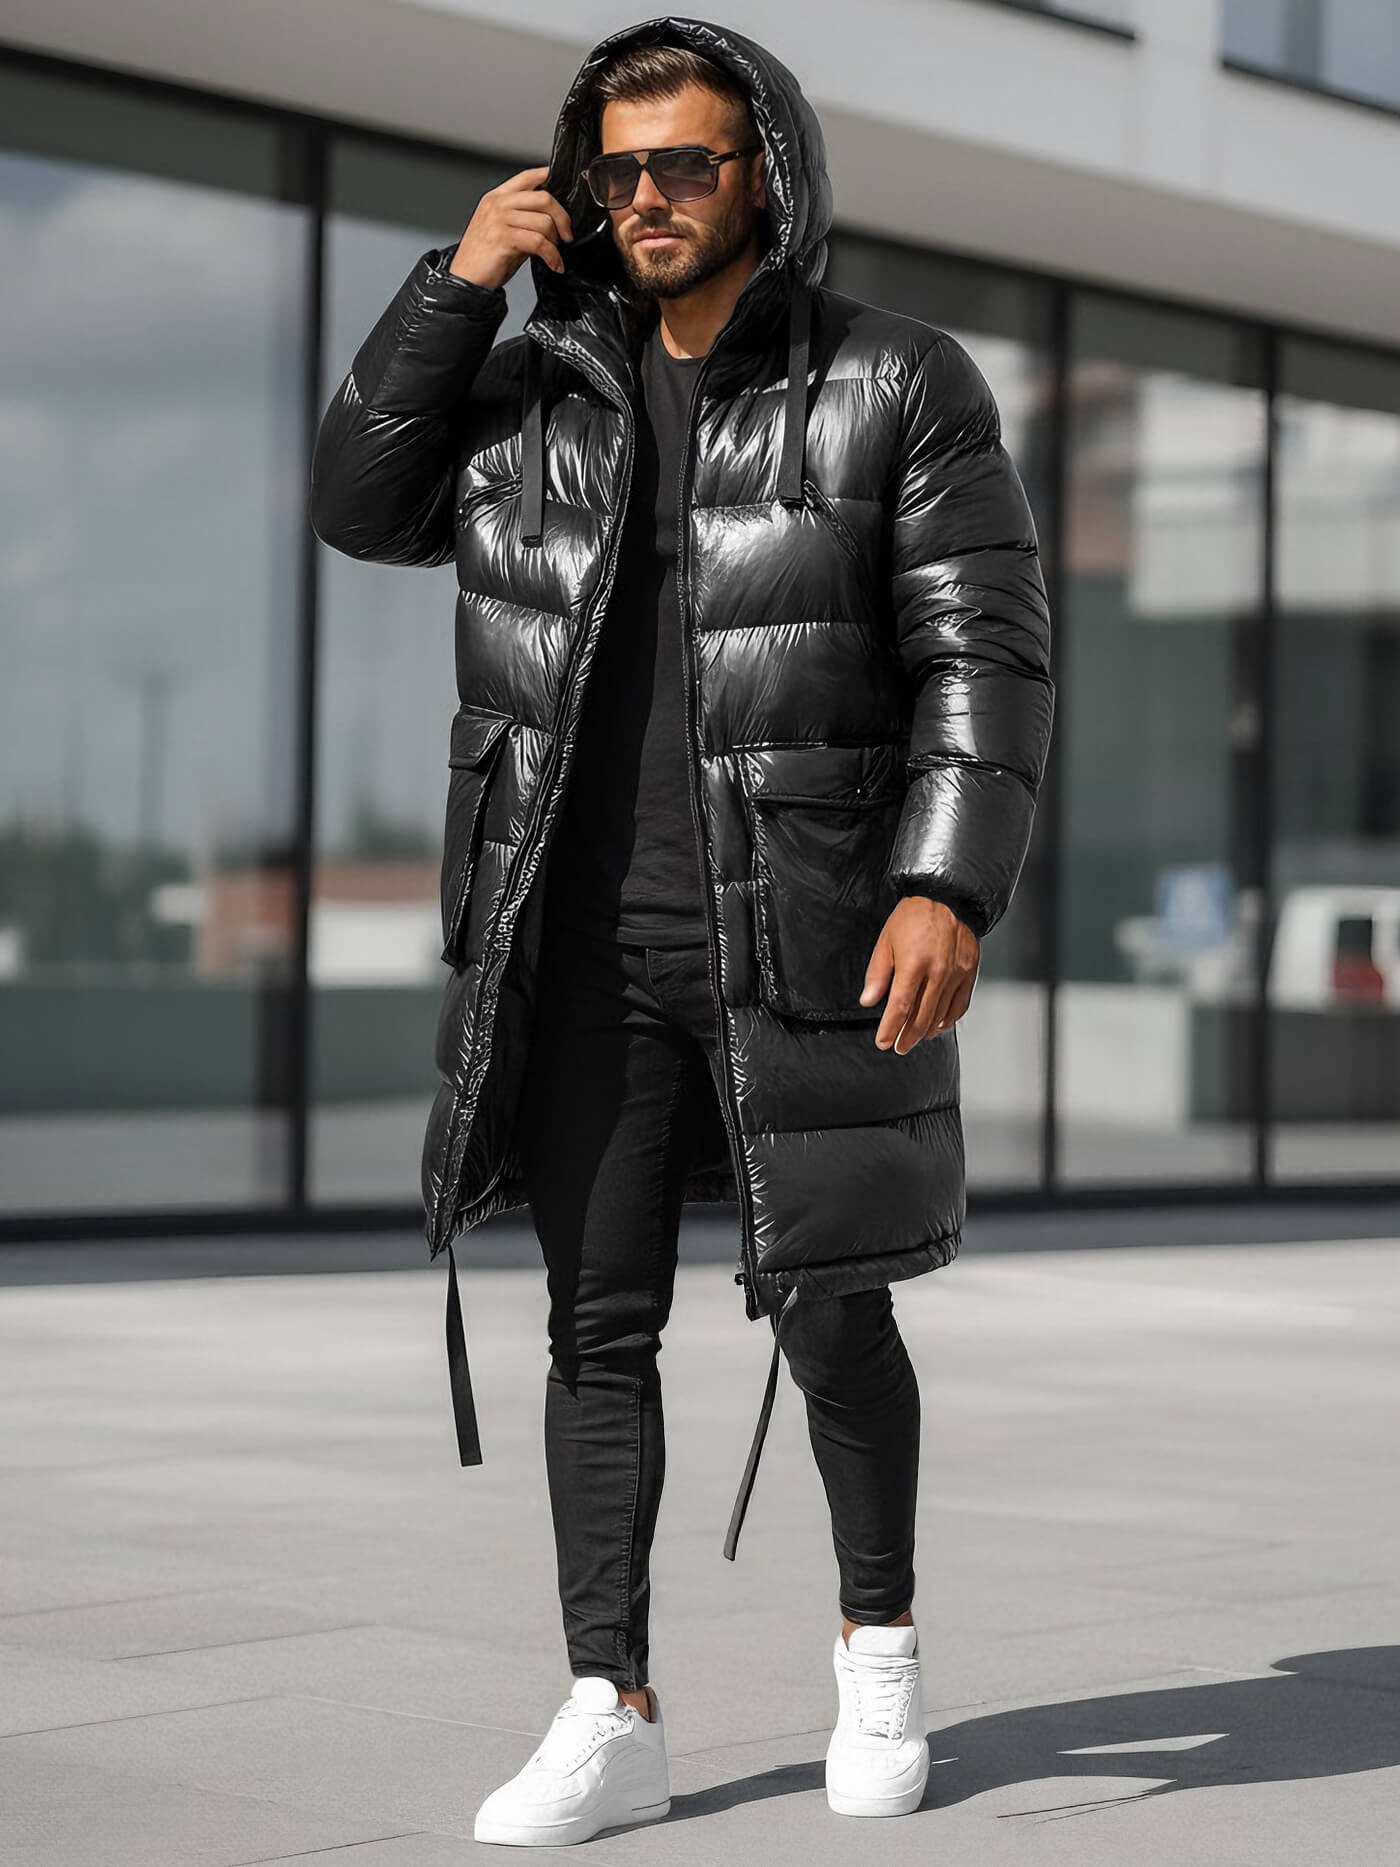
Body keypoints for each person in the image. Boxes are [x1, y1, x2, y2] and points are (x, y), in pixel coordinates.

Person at [310, 14, 1054, 1846]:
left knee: (832, 1307)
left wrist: (945, 882)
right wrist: (452, 286)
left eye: (685, 164)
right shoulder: (525, 392)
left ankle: (877, 1652)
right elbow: (357, 506)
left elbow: (985, 652)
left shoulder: (895, 382)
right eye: (617, 170)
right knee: (594, 1327)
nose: (647, 196)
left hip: (804, 925)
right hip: (570, 936)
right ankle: (609, 1704)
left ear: (762, 177)